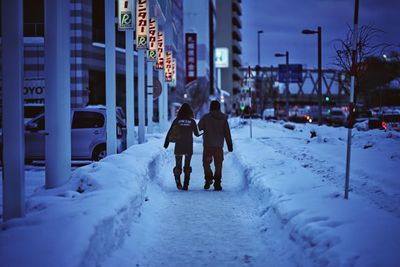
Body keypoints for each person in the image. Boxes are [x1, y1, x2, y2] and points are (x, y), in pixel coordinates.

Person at [164, 103, 201, 190]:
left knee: (178, 165)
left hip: (179, 146)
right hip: (188, 146)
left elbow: (170, 132)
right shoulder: (192, 121)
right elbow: (196, 134)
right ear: (189, 112)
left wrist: (166, 143)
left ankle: (178, 181)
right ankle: (186, 184)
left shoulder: (177, 120)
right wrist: (202, 132)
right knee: (187, 166)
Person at [198, 100, 233, 191]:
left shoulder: (206, 117)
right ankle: (217, 183)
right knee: (218, 164)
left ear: (211, 107)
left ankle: (208, 178)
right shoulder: (224, 118)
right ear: (219, 107)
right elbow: (227, 133)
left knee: (206, 163)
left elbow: (199, 127)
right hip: (219, 146)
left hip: (208, 145)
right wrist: (229, 145)